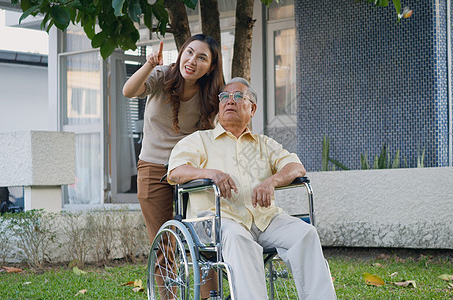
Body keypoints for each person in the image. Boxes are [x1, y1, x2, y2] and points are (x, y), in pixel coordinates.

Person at [167, 78, 337, 300]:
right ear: (219, 105)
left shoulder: (264, 144)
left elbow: (296, 167)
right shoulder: (200, 140)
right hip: (217, 220)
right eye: (224, 97)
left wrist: (272, 181)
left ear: (252, 108)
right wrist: (211, 173)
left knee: (305, 233)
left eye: (238, 97)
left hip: (264, 219)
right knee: (240, 240)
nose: (230, 101)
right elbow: (176, 172)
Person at [122, 34, 223, 298]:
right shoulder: (161, 75)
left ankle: (208, 296)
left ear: (211, 67)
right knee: (164, 244)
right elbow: (128, 91)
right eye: (189, 52)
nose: (192, 61)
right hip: (153, 169)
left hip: (190, 172)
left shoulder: (210, 94)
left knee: (203, 240)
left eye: (202, 57)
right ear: (181, 53)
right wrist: (147, 65)